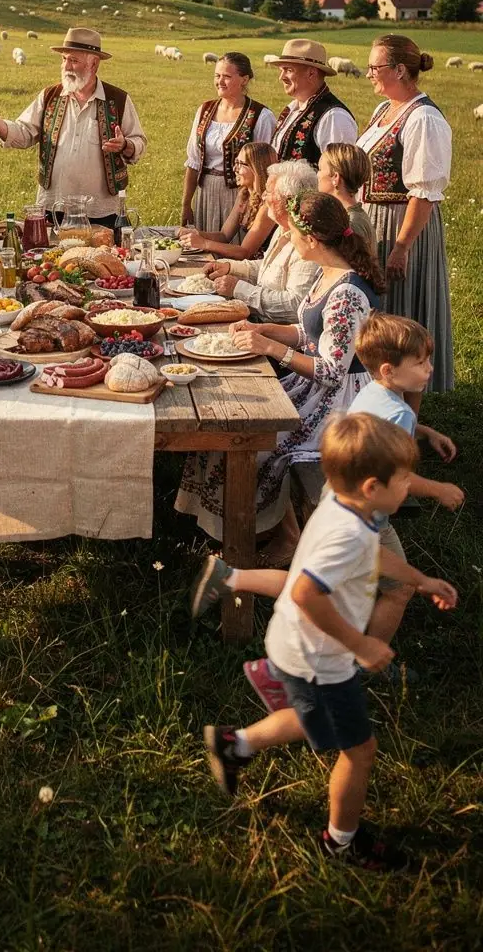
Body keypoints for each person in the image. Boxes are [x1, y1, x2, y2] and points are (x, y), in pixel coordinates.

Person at [203, 413, 457, 870]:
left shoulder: (346, 508)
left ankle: (234, 743)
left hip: (299, 647)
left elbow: (374, 554)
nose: (410, 488)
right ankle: (342, 841)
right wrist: (361, 647)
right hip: (322, 659)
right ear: (372, 488)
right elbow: (304, 593)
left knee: (307, 717)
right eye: (404, 481)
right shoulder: (345, 534)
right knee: (360, 751)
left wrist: (420, 579)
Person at [192, 313, 463, 706]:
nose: (430, 369)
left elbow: (379, 427)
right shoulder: (399, 412)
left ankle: (231, 577)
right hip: (363, 519)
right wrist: (439, 489)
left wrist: (425, 432)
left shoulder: (374, 389)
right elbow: (395, 477)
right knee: (399, 588)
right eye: (421, 362)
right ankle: (367, 661)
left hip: (333, 505)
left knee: (311, 579)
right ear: (390, 369)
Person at [176, 190, 385, 559]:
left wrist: (273, 350)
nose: (286, 238)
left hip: (340, 404)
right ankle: (246, 531)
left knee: (254, 441)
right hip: (316, 387)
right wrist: (269, 331)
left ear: (313, 239)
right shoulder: (329, 273)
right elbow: (312, 334)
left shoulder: (347, 293)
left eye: (292, 233)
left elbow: (332, 370)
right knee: (229, 419)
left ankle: (260, 537)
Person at [0, 27, 146, 228]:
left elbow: (139, 142)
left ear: (93, 64)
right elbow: (24, 133)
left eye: (73, 60)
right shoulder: (49, 96)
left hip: (102, 210)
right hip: (53, 206)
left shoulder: (117, 99)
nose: (66, 66)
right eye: (64, 59)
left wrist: (124, 145)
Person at [356, 34, 453, 394]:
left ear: (400, 70)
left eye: (374, 67)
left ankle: (406, 413)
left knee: (402, 317)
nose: (368, 74)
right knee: (379, 317)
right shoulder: (384, 110)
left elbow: (424, 192)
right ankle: (381, 396)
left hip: (402, 223)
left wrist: (402, 246)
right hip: (373, 220)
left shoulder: (423, 117)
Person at [204, 159, 320, 322]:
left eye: (270, 192)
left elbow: (295, 306)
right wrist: (230, 267)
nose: (264, 196)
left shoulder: (308, 243)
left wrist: (238, 289)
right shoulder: (283, 228)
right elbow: (270, 267)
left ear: (288, 201)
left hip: (277, 336)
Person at [181, 53, 276, 232]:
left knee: (233, 245)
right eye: (217, 76)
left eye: (227, 76)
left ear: (244, 79)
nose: (220, 81)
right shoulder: (205, 110)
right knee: (203, 244)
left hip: (239, 195)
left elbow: (264, 168)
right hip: (205, 191)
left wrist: (253, 205)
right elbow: (193, 161)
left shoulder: (261, 116)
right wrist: (186, 205)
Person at [179, 143, 277, 258]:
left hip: (261, 268)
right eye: (236, 163)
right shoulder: (244, 195)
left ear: (256, 168)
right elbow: (224, 235)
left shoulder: (268, 206)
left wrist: (203, 243)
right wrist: (195, 233)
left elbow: (245, 252)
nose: (235, 169)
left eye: (241, 164)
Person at [268, 39, 357, 166]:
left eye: (288, 70)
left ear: (311, 73)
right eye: (281, 70)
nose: (281, 77)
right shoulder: (292, 108)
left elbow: (339, 174)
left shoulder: (334, 117)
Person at [317, 143, 377, 256]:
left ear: (335, 177)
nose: (318, 175)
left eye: (320, 169)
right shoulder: (344, 215)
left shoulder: (352, 223)